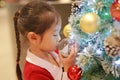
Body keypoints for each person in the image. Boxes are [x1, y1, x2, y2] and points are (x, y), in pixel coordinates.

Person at [14, 0, 77, 80]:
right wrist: (68, 68)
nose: (59, 38)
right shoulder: (33, 73)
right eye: (55, 35)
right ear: (34, 37)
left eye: (59, 33)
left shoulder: (52, 52)